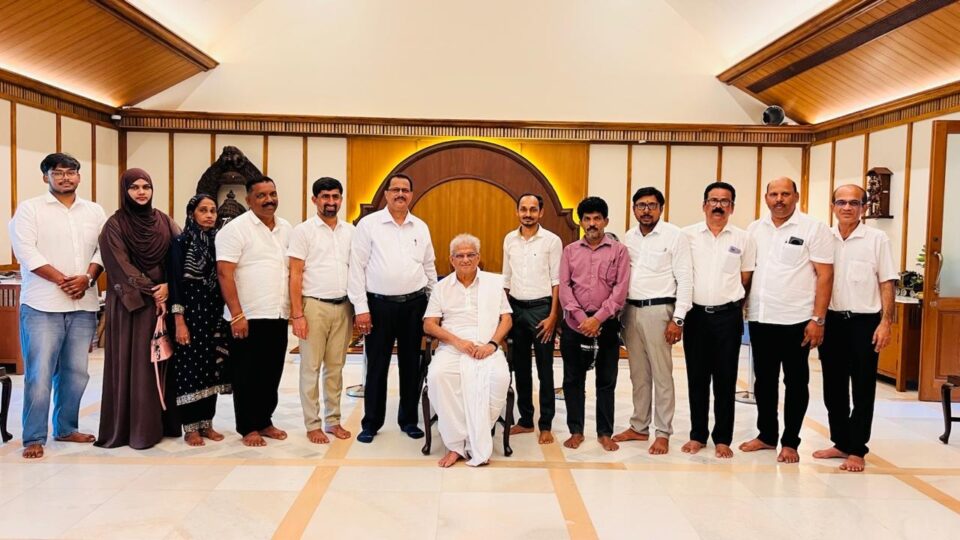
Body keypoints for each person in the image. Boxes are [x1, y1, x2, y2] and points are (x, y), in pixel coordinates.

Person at [9, 153, 106, 459]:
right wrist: (64, 280)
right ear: (46, 177)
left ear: (79, 176)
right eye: (58, 172)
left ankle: (66, 428)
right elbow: (26, 251)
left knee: (76, 373)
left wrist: (87, 278)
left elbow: (104, 249)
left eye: (71, 172)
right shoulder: (30, 209)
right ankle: (34, 436)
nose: (66, 177)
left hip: (83, 305)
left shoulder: (94, 211)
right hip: (42, 305)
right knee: (39, 374)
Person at [741, 177, 834, 463]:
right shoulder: (755, 229)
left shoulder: (813, 228)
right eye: (774, 194)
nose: (779, 199)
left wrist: (818, 319)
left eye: (785, 194)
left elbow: (825, 275)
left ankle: (791, 441)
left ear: (796, 196)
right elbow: (748, 273)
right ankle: (767, 435)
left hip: (798, 320)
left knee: (795, 382)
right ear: (766, 197)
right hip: (761, 318)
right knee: (764, 382)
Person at [348, 173, 438, 443]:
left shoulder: (420, 227)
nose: (400, 194)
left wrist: (434, 307)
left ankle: (408, 420)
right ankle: (371, 423)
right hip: (378, 306)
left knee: (412, 365)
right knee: (377, 366)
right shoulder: (369, 225)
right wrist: (361, 308)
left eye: (405, 190)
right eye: (395, 189)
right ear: (386, 194)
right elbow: (356, 268)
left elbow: (429, 268)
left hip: (414, 305)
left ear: (411, 195)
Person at [813, 184, 897, 472]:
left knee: (862, 387)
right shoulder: (824, 238)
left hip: (864, 322)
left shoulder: (877, 239)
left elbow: (887, 281)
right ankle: (840, 442)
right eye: (841, 202)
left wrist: (886, 322)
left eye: (854, 203)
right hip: (832, 321)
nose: (847, 207)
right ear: (833, 206)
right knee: (833, 387)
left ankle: (857, 448)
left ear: (864, 208)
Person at [96, 168, 181, 449]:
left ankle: (163, 424)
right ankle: (137, 430)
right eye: (134, 187)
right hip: (132, 306)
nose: (141, 192)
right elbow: (118, 263)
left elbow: (179, 254)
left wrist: (168, 286)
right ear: (125, 191)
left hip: (162, 302)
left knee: (162, 361)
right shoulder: (114, 225)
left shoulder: (164, 221)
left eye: (146, 186)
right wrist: (152, 290)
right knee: (136, 365)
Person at [612, 187, 692, 455]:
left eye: (652, 205)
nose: (646, 210)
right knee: (638, 374)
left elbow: (685, 279)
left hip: (659, 311)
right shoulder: (629, 237)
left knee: (662, 375)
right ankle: (639, 426)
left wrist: (678, 319)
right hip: (630, 311)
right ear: (634, 208)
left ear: (661, 208)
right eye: (641, 205)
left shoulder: (675, 235)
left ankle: (663, 432)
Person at [680, 181, 756, 458]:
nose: (718, 206)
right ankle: (697, 435)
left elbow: (746, 279)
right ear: (704, 205)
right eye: (713, 200)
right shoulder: (687, 236)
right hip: (696, 316)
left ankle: (723, 438)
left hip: (728, 317)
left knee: (726, 379)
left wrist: (734, 308)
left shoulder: (744, 238)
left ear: (732, 207)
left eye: (725, 201)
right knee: (697, 379)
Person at [424, 234, 513, 467]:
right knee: (438, 375)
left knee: (499, 377)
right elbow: (429, 324)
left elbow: (506, 319)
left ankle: (476, 440)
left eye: (470, 255)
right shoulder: (441, 287)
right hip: (453, 347)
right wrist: (458, 342)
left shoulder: (493, 284)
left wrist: (492, 344)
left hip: (487, 345)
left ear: (478, 257)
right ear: (451, 260)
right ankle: (456, 444)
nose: (465, 259)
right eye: (460, 255)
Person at [216, 176, 292, 447]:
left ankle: (265, 420)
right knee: (246, 373)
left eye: (272, 194)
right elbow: (224, 273)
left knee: (272, 372)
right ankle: (248, 426)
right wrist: (237, 314)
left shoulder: (286, 228)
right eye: (261, 195)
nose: (269, 200)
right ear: (248, 200)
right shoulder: (234, 230)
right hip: (247, 316)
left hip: (277, 313)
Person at [558, 197, 630, 451]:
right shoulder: (569, 251)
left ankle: (604, 432)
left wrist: (597, 319)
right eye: (587, 219)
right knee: (572, 380)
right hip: (574, 324)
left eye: (597, 218)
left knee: (606, 380)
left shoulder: (619, 251)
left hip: (607, 323)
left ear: (605, 221)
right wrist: (582, 319)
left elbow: (620, 289)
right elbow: (564, 287)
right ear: (580, 222)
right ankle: (576, 431)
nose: (592, 223)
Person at [289, 177, 354, 444]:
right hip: (313, 306)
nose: (331, 202)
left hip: (344, 307)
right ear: (314, 199)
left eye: (335, 196)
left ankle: (333, 421)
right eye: (325, 196)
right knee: (311, 368)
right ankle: (312, 424)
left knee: (336, 368)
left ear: (341, 199)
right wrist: (297, 314)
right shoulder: (303, 231)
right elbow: (295, 274)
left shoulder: (351, 231)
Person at [167, 194, 231, 446]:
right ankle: (190, 426)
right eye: (203, 210)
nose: (209, 215)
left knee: (211, 368)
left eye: (213, 210)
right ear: (192, 213)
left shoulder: (219, 242)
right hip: (190, 316)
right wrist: (179, 321)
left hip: (215, 316)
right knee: (189, 370)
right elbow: (175, 283)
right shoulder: (181, 243)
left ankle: (207, 423)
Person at [502, 193, 562, 445]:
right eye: (524, 209)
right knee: (521, 368)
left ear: (541, 212)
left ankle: (545, 424)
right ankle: (526, 420)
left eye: (533, 209)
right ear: (517, 211)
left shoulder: (552, 241)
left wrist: (553, 316)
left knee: (545, 369)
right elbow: (506, 278)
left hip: (542, 310)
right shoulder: (509, 239)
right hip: (516, 309)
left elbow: (557, 281)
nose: (528, 214)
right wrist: (503, 314)